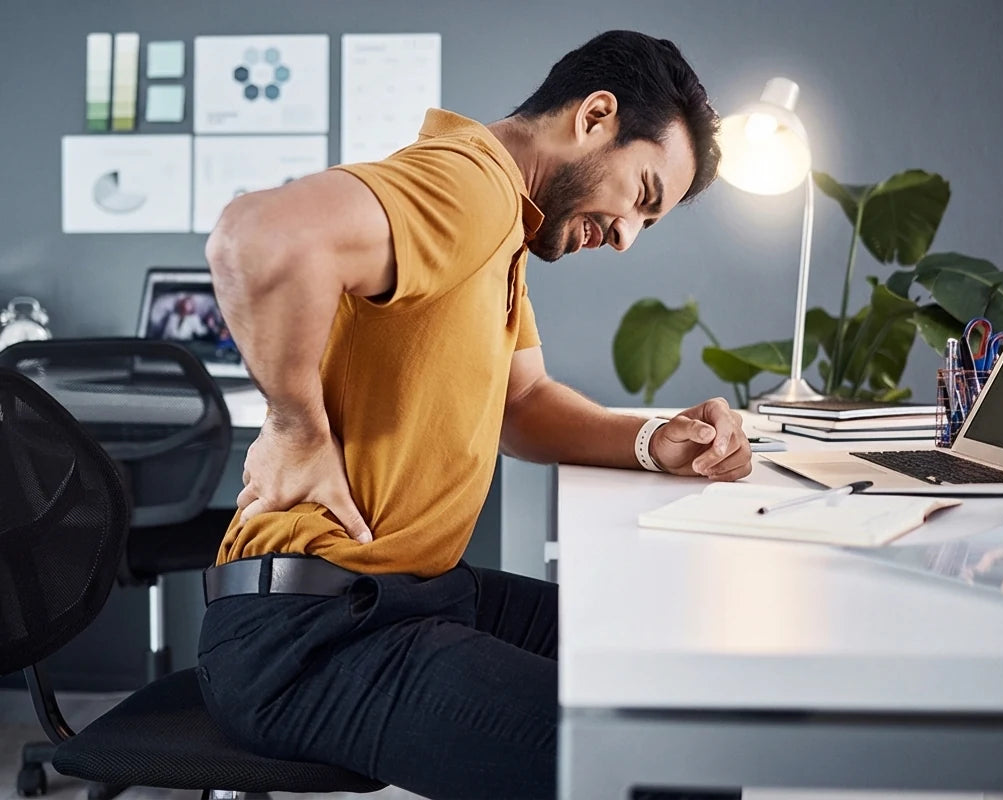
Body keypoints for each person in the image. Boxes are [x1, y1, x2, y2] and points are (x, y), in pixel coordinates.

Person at [198, 30, 750, 800]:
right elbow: (254, 237)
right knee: (660, 767)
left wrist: (656, 442)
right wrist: (297, 425)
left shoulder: (507, 230)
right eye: (642, 197)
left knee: (664, 658)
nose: (625, 238)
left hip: (410, 594)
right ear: (595, 116)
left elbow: (521, 404)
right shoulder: (469, 187)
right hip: (310, 636)